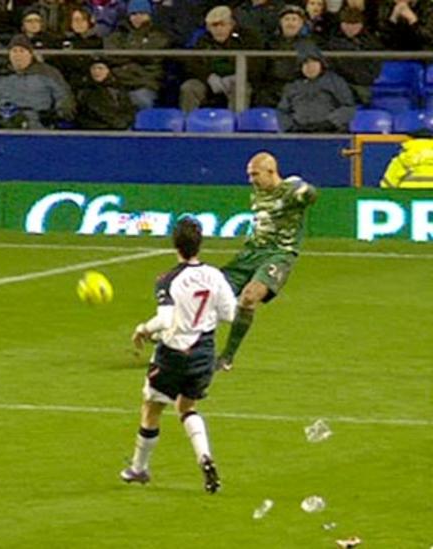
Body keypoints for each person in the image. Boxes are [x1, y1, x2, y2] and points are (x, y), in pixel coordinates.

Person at [120, 216, 237, 494]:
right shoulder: (215, 275)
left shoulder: (168, 280)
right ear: (199, 245)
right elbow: (230, 314)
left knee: (151, 408)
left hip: (173, 353)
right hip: (204, 352)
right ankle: (204, 457)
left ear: (175, 245)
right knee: (187, 407)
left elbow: (164, 319)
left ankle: (139, 468)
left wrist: (143, 329)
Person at [216, 152, 317, 371]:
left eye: (255, 174)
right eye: (249, 175)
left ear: (271, 172)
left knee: (249, 297)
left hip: (278, 254)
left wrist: (305, 191)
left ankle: (227, 358)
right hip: (249, 254)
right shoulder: (258, 193)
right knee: (210, 294)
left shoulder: (290, 190)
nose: (251, 180)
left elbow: (309, 195)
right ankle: (181, 344)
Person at [276, 43, 355, 133]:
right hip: (299, 133)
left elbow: (348, 107)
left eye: (313, 62)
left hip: (329, 132)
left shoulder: (335, 82)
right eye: (305, 63)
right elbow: (282, 111)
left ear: (321, 63)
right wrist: (291, 127)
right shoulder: (292, 86)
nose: (310, 67)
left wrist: (330, 122)